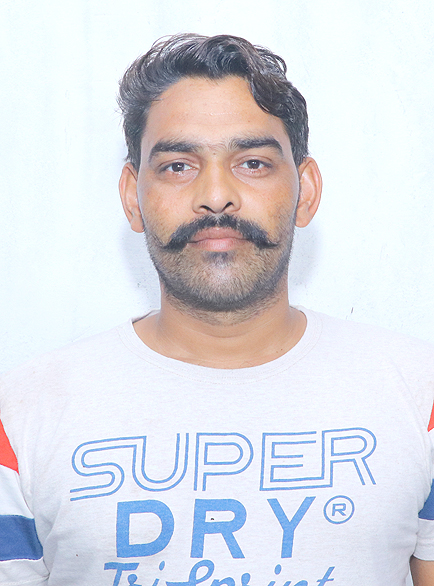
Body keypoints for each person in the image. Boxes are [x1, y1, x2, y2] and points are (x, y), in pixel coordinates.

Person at [0, 33, 433, 586]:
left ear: (305, 192)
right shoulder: (23, 416)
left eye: (252, 162)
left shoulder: (420, 396)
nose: (216, 195)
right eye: (178, 166)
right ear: (133, 197)